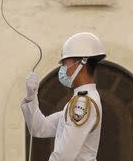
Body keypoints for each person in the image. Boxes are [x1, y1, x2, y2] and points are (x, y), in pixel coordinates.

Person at [21, 32, 106, 161]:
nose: (62, 69)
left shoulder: (83, 103)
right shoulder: (79, 101)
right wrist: (31, 97)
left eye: (65, 63)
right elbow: (39, 128)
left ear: (80, 63)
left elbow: (63, 156)